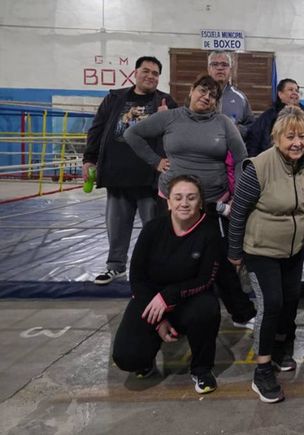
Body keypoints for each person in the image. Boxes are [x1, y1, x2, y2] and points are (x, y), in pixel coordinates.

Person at [125, 75, 257, 330]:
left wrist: (239, 195)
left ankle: (241, 313)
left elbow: (241, 158)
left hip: (211, 204)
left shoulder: (224, 124)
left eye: (212, 95)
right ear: (191, 91)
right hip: (173, 203)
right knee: (168, 258)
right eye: (202, 91)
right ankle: (162, 309)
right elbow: (133, 134)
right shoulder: (170, 117)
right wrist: (155, 161)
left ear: (216, 102)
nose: (205, 97)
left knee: (219, 262)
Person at [228, 106, 304, 403]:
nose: (297, 142)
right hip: (260, 250)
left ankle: (281, 347)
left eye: (302, 136)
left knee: (287, 303)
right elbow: (238, 214)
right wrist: (234, 254)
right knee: (270, 304)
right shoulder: (257, 167)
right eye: (290, 136)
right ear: (276, 138)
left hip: (295, 251)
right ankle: (262, 369)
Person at [112, 175, 221, 394]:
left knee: (208, 309)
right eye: (178, 197)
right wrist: (158, 320)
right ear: (168, 202)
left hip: (188, 299)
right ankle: (146, 357)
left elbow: (205, 279)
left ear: (200, 202)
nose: (184, 203)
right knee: (127, 358)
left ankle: (201, 368)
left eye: (191, 198)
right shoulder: (153, 229)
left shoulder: (210, 232)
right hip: (152, 300)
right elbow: (137, 277)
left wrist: (170, 296)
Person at [82, 56, 177, 285]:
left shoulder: (166, 101)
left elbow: (177, 135)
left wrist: (167, 119)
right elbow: (97, 129)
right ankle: (115, 266)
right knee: (117, 226)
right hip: (117, 173)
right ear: (135, 73)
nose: (151, 76)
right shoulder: (114, 99)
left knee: (154, 227)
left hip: (150, 176)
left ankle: (156, 268)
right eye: (146, 71)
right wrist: (89, 159)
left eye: (155, 73)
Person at [245, 78, 303, 156]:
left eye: (297, 90)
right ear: (280, 94)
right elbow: (253, 141)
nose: (295, 93)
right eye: (290, 90)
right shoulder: (268, 117)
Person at [207, 50, 254, 138]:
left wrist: (238, 130)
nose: (220, 68)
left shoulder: (240, 98)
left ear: (230, 70)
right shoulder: (199, 95)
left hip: (232, 149)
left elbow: (251, 126)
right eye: (215, 64)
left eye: (224, 65)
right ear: (209, 69)